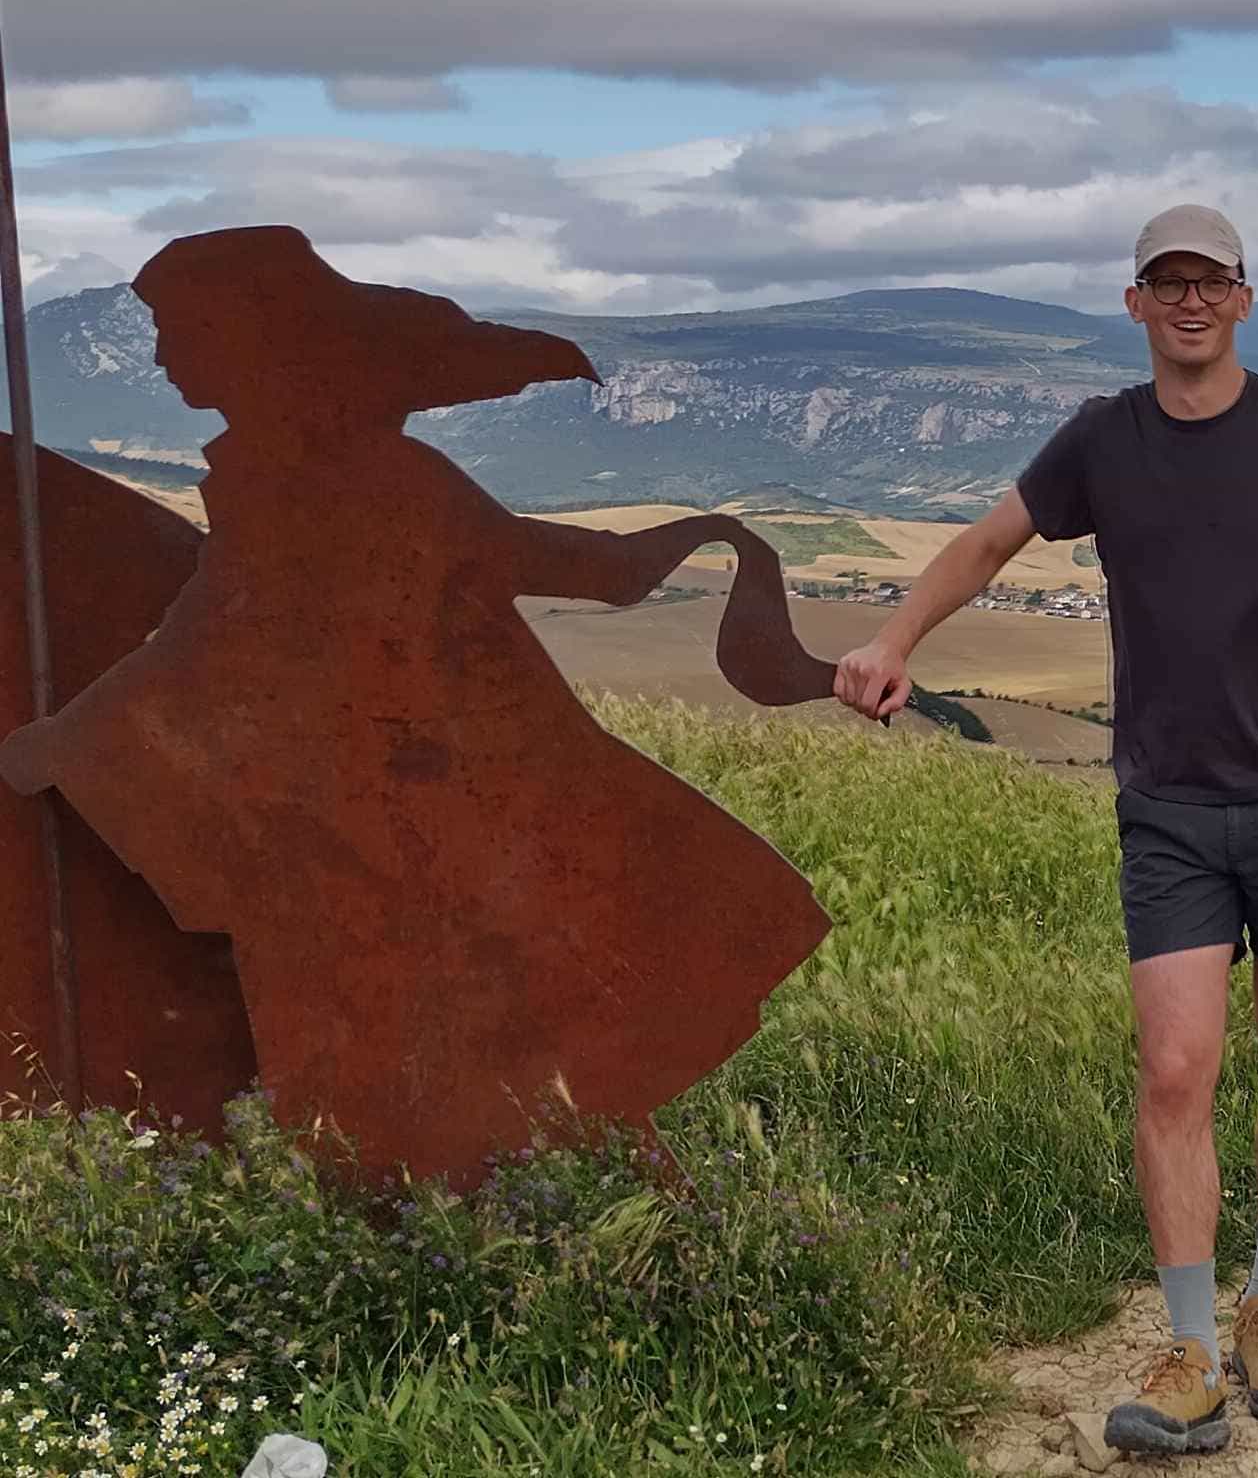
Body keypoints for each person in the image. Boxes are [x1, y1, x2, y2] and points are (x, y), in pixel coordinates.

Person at [834, 203, 1258, 1456]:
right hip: (1170, 809)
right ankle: (1194, 1348)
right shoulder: (1103, 441)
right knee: (1174, 1069)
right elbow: (989, 544)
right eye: (1166, 282)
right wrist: (892, 639)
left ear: (1245, 300)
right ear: (1134, 303)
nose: (1190, 300)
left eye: (1211, 281)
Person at [0, 226, 837, 1184]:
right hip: (390, 832)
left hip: (384, 850)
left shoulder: (314, 490)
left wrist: (62, 741)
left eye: (177, 327)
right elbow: (560, 566)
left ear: (251, 335)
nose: (160, 355)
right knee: (499, 1085)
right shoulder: (336, 477)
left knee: (402, 1084)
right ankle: (589, 1253)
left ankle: (483, 1262)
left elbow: (204, 646)